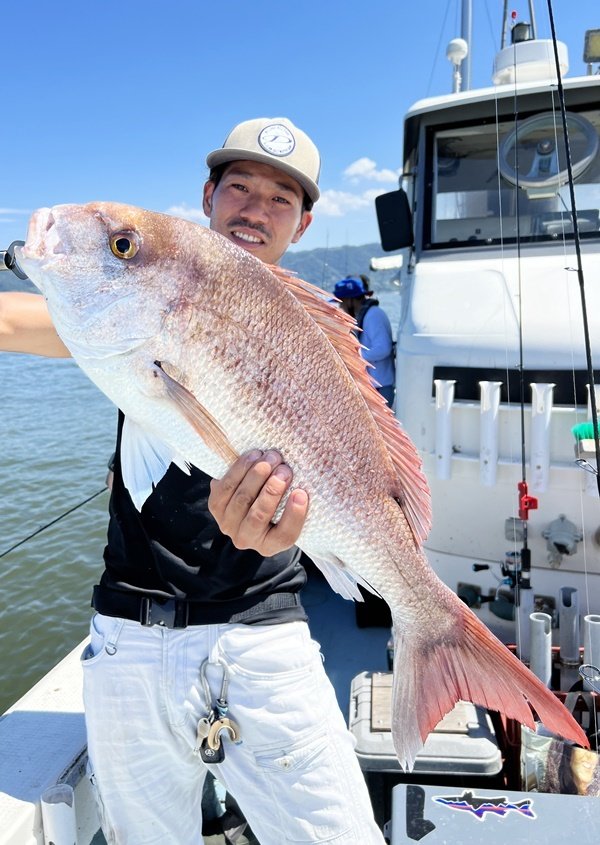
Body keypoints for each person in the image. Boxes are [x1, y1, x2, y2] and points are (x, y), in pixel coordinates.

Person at [0, 117, 386, 844]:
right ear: (207, 197)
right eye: (238, 187)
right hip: (126, 637)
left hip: (264, 630)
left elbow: (347, 473)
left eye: (280, 198)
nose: (254, 207)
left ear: (303, 224)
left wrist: (297, 532)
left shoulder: (311, 336)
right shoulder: (141, 301)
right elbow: (17, 320)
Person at [332, 275, 395, 407]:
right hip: (374, 387)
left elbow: (383, 348)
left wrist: (354, 356)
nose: (340, 306)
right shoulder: (367, 315)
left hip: (380, 388)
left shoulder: (373, 315)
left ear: (350, 300)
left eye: (341, 302)